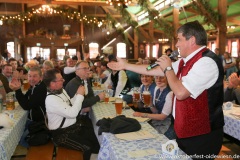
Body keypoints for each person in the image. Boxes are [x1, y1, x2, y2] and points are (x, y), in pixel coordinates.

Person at [107, 20, 224, 159]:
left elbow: (180, 93)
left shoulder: (207, 62)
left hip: (202, 134)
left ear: (192, 40)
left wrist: (168, 68)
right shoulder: (184, 61)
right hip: (184, 130)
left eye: (179, 40)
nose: (177, 45)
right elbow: (154, 70)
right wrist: (126, 65)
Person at [43, 69, 100, 160]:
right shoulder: (51, 99)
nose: (64, 81)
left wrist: (77, 94)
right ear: (52, 83)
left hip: (73, 126)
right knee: (88, 148)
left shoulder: (61, 91)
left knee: (96, 138)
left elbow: (71, 103)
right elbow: (72, 113)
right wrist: (80, 96)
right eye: (61, 80)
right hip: (62, 134)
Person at [9, 67, 47, 148]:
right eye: (29, 76)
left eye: (35, 76)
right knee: (15, 130)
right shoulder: (35, 86)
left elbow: (26, 106)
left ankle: (36, 153)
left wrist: (18, 90)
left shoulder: (40, 89)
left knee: (20, 140)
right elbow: (26, 98)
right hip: (34, 119)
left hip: (40, 122)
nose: (31, 79)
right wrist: (18, 89)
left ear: (41, 77)